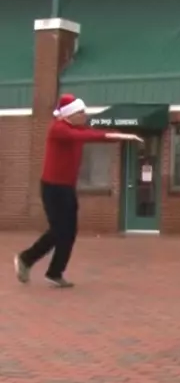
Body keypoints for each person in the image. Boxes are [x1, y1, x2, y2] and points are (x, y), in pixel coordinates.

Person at [15, 93, 142, 288]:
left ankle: (54, 272)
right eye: (81, 112)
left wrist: (119, 136)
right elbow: (86, 135)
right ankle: (26, 259)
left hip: (67, 188)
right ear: (70, 114)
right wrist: (118, 135)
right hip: (52, 188)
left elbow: (90, 133)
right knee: (58, 231)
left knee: (69, 231)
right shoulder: (59, 129)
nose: (85, 115)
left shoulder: (76, 127)